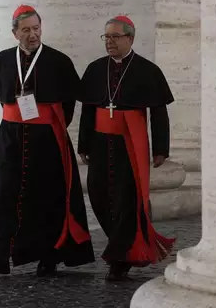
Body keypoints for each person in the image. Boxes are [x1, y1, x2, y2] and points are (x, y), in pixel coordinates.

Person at [0, 5, 95, 276]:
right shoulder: (3, 60)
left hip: (47, 138)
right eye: (26, 30)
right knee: (0, 192)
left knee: (47, 196)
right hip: (10, 136)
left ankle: (48, 256)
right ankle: (0, 255)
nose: (32, 34)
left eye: (36, 28)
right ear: (15, 33)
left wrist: (51, 126)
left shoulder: (58, 61)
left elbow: (69, 103)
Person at [77, 15, 176, 281]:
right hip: (99, 141)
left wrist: (160, 149)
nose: (109, 42)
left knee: (126, 199)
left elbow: (158, 112)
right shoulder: (95, 69)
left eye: (115, 37)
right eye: (106, 37)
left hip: (130, 142)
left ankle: (119, 257)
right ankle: (121, 244)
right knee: (98, 194)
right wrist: (83, 143)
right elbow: (87, 109)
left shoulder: (148, 70)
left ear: (130, 38)